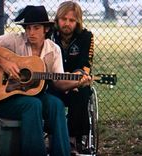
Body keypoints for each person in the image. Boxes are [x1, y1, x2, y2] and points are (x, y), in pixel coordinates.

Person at [0, 5, 91, 156]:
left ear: (46, 29)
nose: (30, 33)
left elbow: (58, 82)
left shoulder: (53, 50)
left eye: (36, 28)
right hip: (8, 98)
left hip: (35, 96)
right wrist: (4, 63)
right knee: (33, 105)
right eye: (27, 28)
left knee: (56, 105)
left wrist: (78, 82)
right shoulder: (14, 40)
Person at [49, 1, 94, 154]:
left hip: (76, 82)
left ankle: (72, 140)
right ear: (57, 19)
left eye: (72, 20)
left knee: (81, 93)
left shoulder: (86, 37)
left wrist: (72, 82)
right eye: (63, 19)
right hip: (52, 82)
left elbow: (84, 65)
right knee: (49, 96)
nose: (67, 23)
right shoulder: (49, 35)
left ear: (78, 22)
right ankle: (53, 137)